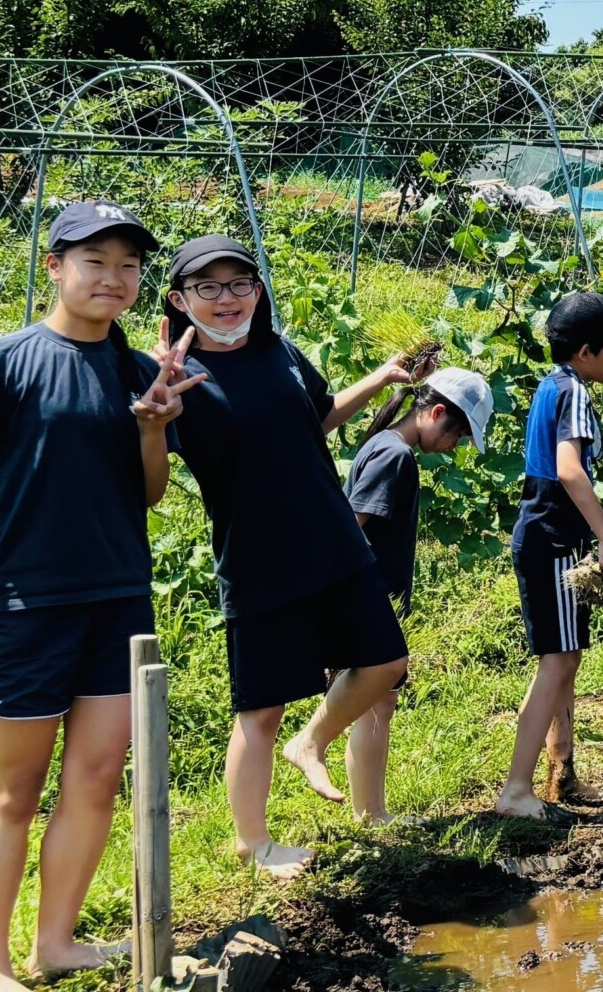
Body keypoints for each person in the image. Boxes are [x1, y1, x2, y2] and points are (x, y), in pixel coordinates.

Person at [0, 200, 198, 992]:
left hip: (117, 596)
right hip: (27, 601)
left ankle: (56, 941)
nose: (114, 278)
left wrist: (153, 426)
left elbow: (148, 492)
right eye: (94, 260)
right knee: (14, 789)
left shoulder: (143, 370)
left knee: (98, 776)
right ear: (55, 266)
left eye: (130, 265)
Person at [159, 236, 421, 876]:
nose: (227, 300)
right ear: (178, 299)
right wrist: (151, 406)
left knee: (386, 660)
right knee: (260, 710)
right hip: (257, 557)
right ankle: (253, 842)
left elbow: (320, 418)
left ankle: (314, 742)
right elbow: (147, 466)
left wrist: (383, 379)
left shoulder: (280, 353)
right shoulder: (175, 377)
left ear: (258, 290)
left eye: (239, 285)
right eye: (208, 288)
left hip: (334, 539)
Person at [298, 365, 493, 822]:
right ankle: (355, 794)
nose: (454, 446)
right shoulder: (395, 456)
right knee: (371, 700)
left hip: (365, 598)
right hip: (363, 599)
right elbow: (349, 529)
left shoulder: (383, 444)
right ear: (436, 412)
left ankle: (372, 812)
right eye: (458, 434)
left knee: (378, 703)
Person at [498, 291, 603, 818]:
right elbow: (567, 467)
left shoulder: (551, 385)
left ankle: (561, 771)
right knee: (557, 662)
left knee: (565, 658)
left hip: (546, 536)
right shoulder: (574, 392)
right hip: (555, 540)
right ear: (586, 352)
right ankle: (516, 789)